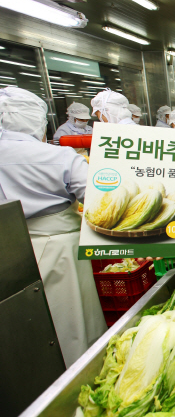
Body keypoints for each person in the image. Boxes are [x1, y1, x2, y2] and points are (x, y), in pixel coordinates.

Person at [0, 87, 106, 367]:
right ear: (38, 121)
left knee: (20, 328)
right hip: (59, 247)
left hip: (7, 253)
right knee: (71, 320)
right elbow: (99, 201)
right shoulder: (58, 156)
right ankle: (73, 378)